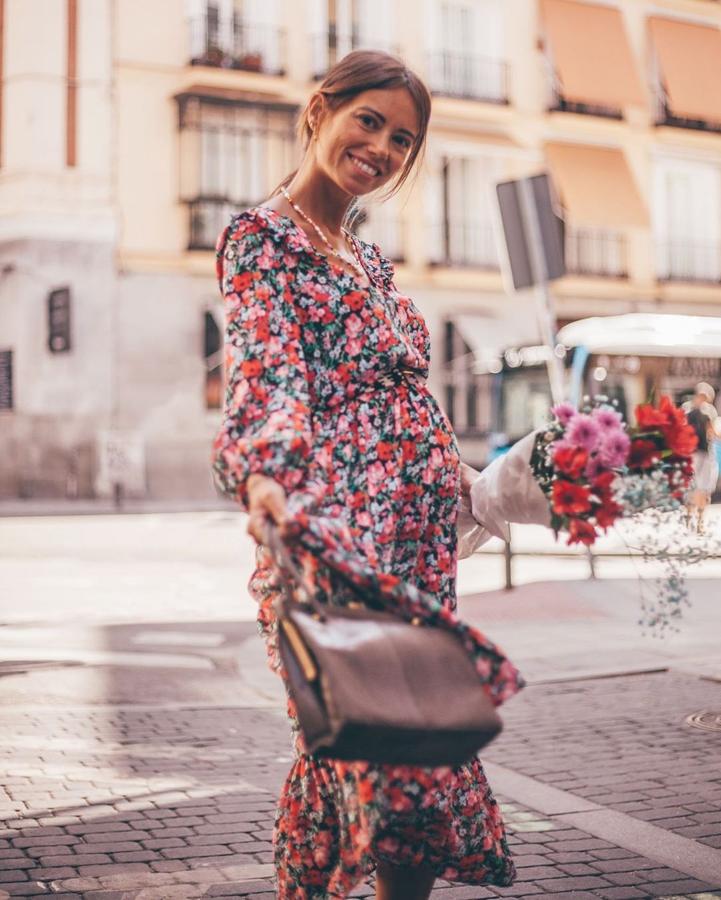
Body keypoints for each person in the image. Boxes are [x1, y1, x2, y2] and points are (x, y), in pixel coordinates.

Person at [212, 50, 516, 900]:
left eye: (402, 139)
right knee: (354, 743)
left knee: (418, 749)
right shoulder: (261, 239)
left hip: (416, 539)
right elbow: (271, 373)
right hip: (337, 533)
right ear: (320, 111)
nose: (381, 147)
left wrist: (476, 476)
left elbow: (394, 398)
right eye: (369, 121)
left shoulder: (364, 255)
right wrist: (269, 476)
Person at [684, 382, 719, 534]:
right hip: (694, 454)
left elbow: (712, 432)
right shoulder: (690, 410)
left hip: (703, 453)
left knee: (701, 489)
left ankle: (697, 520)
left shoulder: (706, 411)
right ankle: (692, 517)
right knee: (697, 488)